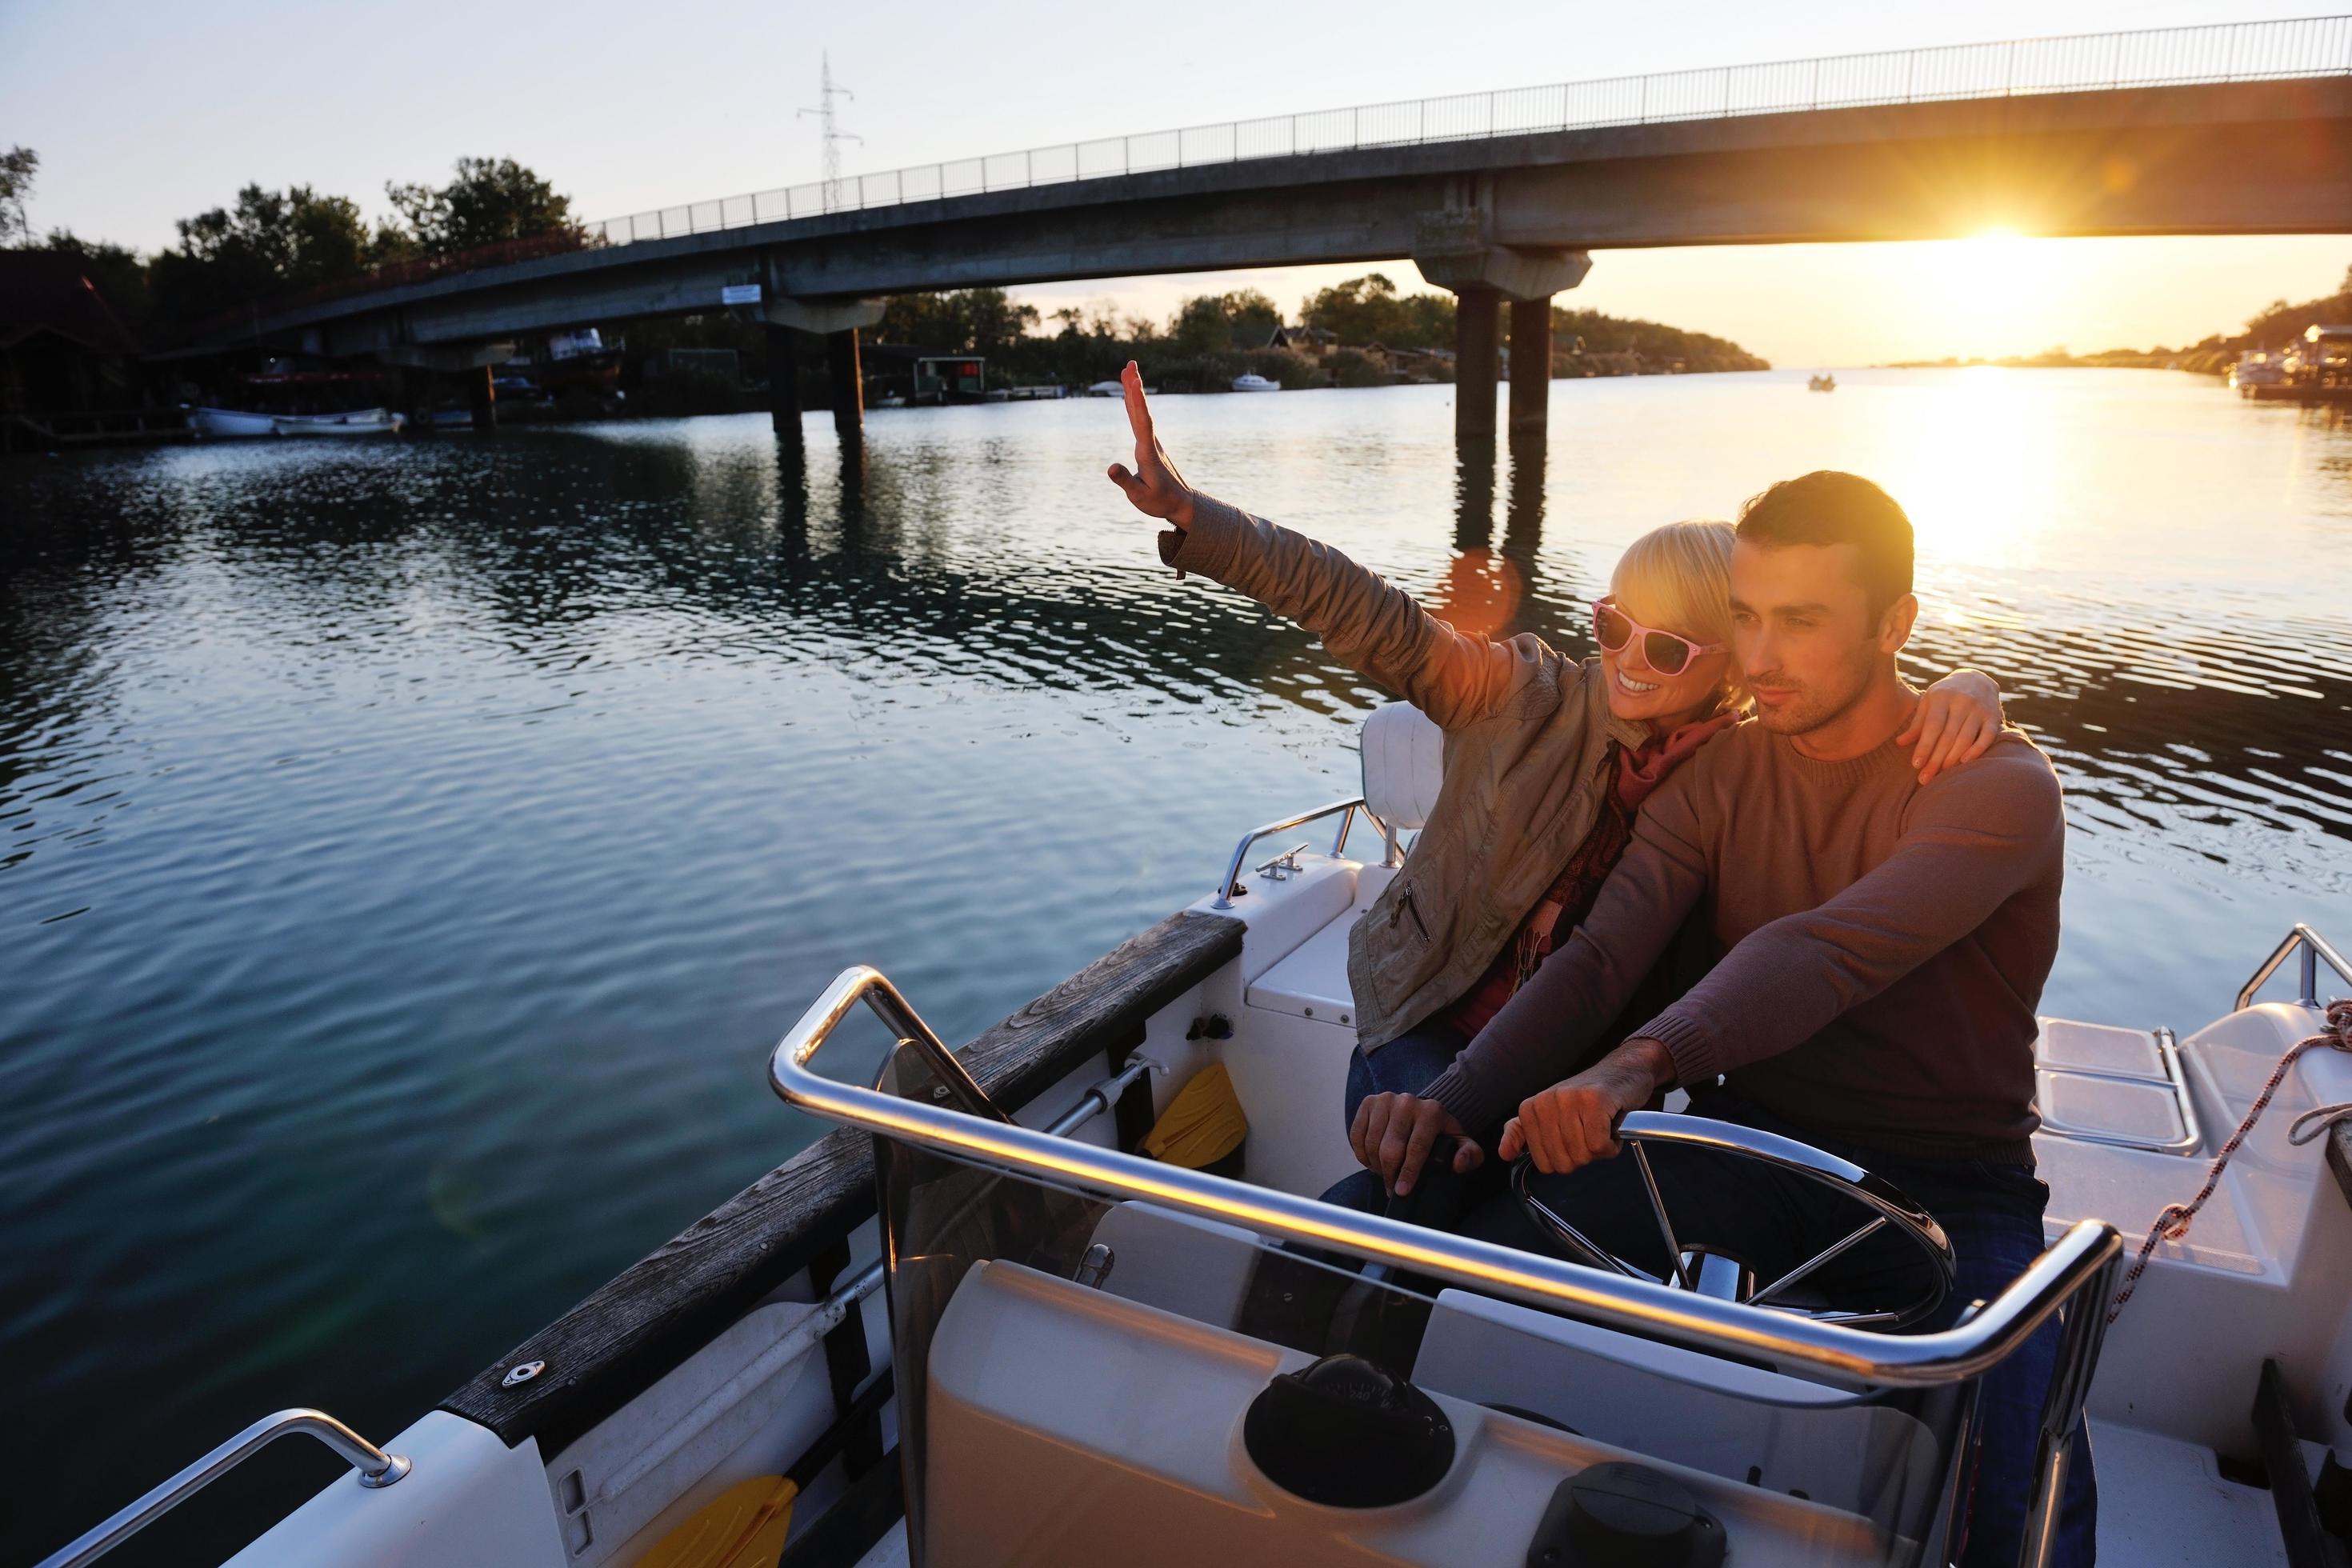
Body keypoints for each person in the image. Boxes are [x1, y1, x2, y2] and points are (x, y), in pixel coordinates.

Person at [1377, 470, 2088, 1567]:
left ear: (1898, 625)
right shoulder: (1719, 777)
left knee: (2018, 1491)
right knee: (1398, 1229)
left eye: (1802, 623)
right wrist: (1455, 1100)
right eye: (1748, 618)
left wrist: (1633, 1068)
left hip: (1950, 1180)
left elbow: (1825, 951)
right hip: (1736, 1142)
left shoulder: (1995, 786)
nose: (1759, 659)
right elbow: (1605, 955)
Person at [1101, 360, 2006, 1210]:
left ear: (1734, 666)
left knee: (1548, 1195)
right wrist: (1200, 520)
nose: (1624, 660)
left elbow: (1844, 707)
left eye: (1663, 646)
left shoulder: (1737, 772)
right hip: (1428, 1023)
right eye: (1612, 624)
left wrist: (1967, 687)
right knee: (1449, 1168)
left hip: (1582, 1063)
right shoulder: (1521, 695)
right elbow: (1363, 611)